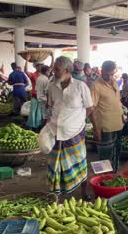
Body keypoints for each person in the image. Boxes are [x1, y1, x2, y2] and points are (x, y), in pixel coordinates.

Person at [47, 56, 93, 199]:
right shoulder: (52, 86)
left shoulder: (80, 86)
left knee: (79, 161)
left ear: (67, 70)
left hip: (75, 132)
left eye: (57, 69)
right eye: (54, 68)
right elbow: (51, 106)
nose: (54, 72)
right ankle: (57, 194)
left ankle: (84, 192)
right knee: (56, 165)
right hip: (55, 132)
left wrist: (77, 120)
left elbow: (90, 108)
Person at [90, 61, 124, 170]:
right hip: (105, 127)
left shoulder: (114, 81)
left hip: (118, 124)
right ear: (101, 71)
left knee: (116, 153)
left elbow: (118, 101)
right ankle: (103, 180)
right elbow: (91, 109)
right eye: (107, 74)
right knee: (104, 158)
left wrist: (122, 116)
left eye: (112, 74)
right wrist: (96, 129)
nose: (109, 77)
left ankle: (114, 177)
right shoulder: (96, 85)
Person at [25, 58, 44, 130]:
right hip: (34, 96)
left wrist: (52, 57)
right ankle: (33, 128)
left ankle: (40, 127)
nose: (40, 67)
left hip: (42, 97)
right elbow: (26, 71)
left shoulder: (44, 75)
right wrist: (27, 60)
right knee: (33, 113)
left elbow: (51, 68)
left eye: (41, 65)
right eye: (38, 66)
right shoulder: (33, 75)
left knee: (41, 114)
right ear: (35, 66)